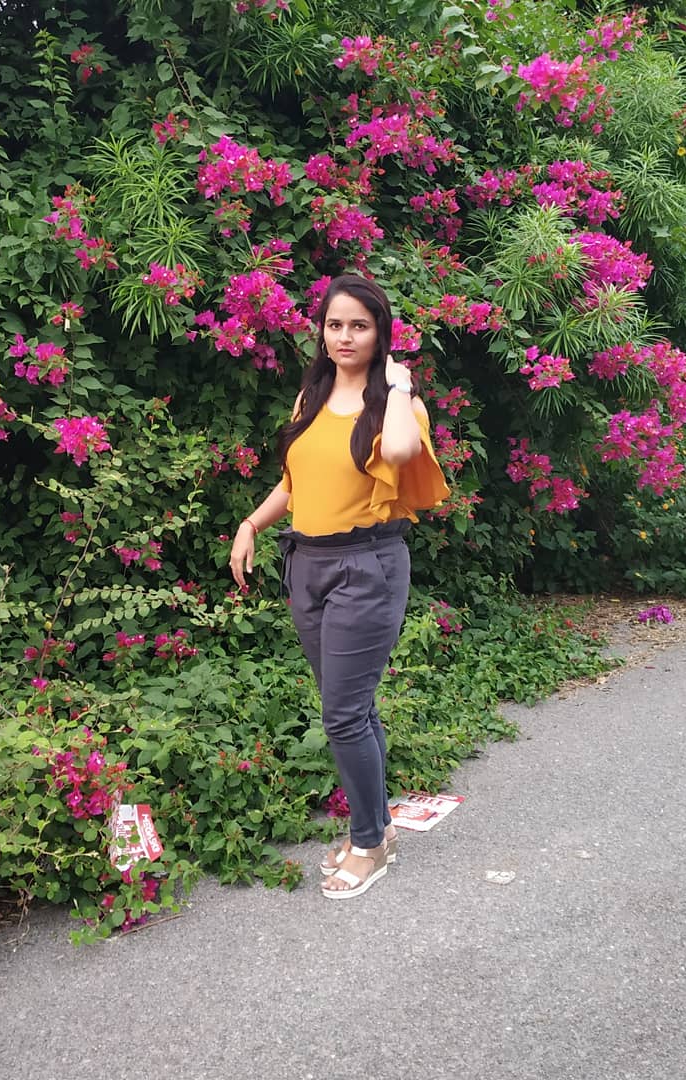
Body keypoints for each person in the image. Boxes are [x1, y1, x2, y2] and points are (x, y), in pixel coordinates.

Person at [229, 274, 450, 900]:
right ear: (321, 332)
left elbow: (401, 452)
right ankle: (379, 828)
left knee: (343, 714)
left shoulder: (397, 405)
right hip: (308, 564)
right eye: (334, 324)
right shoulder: (311, 397)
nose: (345, 336)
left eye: (359, 325)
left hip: (367, 566)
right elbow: (294, 483)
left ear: (380, 333)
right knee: (353, 707)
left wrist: (400, 383)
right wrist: (250, 524)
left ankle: (369, 843)